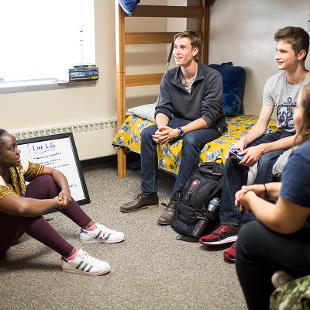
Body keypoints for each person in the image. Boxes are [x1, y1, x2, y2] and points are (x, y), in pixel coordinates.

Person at [199, 26, 310, 262]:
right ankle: (230, 225)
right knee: (235, 158)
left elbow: (304, 134)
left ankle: (251, 232)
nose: (276, 55)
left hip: (304, 137)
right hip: (281, 132)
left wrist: (262, 148)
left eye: (283, 51)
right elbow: (262, 125)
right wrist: (244, 141)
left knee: (268, 160)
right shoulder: (273, 82)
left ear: (300, 54)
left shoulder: (308, 85)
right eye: (276, 50)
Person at [120, 31, 226, 225]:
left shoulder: (212, 77)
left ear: (195, 51)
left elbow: (209, 116)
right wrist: (162, 128)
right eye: (175, 47)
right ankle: (148, 193)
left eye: (182, 47)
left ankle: (176, 200)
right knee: (147, 134)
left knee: (191, 140)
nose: (177, 52)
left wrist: (178, 132)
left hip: (208, 124)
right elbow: (163, 108)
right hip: (181, 120)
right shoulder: (170, 76)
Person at [0, 129, 124, 276]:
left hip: (10, 226)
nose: (18, 151)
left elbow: (53, 172)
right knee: (24, 210)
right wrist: (55, 203)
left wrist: (65, 191)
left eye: (16, 145)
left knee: (46, 181)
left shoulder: (16, 165)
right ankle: (72, 257)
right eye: (11, 148)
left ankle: (90, 229)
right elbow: (22, 207)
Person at [234, 82, 310, 310]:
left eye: (297, 108)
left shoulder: (303, 157)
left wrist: (251, 200)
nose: (294, 115)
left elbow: (283, 221)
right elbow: (302, 190)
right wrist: (266, 188)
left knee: (250, 236)